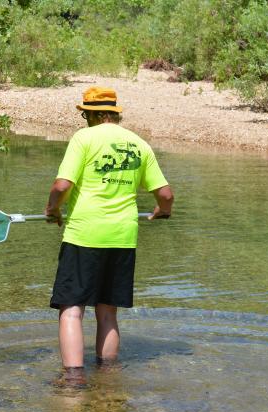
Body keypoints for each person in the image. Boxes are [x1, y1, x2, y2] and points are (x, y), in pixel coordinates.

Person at [45, 87, 174, 372]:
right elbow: (165, 195)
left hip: (84, 234)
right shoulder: (139, 144)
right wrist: (163, 211)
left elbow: (61, 186)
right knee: (107, 313)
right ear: (115, 113)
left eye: (84, 115)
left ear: (89, 114)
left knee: (71, 310)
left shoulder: (84, 138)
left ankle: (73, 381)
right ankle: (108, 377)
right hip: (123, 238)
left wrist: (53, 209)